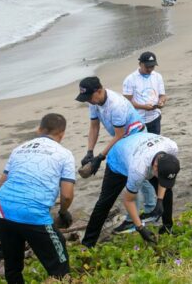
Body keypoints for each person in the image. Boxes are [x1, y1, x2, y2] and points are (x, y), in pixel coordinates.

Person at [0, 114, 75, 284]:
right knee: (60, 266)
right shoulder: (65, 154)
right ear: (62, 134)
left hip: (2, 208)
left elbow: (1, 184)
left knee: (13, 265)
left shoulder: (19, 149)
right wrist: (63, 211)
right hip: (32, 212)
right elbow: (66, 194)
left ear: (39, 129)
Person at [75, 76, 153, 234]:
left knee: (132, 174)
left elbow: (119, 135)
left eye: (89, 97)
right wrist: (90, 151)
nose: (88, 101)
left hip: (135, 136)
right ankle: (151, 208)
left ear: (99, 90)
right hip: (123, 137)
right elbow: (94, 126)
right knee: (137, 175)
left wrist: (100, 157)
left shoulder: (115, 104)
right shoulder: (94, 102)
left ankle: (135, 218)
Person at [81, 132, 180, 247]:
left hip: (136, 147)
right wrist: (140, 228)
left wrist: (160, 200)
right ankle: (88, 244)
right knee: (105, 203)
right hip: (118, 159)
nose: (161, 181)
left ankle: (167, 228)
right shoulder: (138, 169)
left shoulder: (172, 148)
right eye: (160, 176)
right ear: (155, 167)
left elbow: (165, 178)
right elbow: (128, 200)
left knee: (166, 190)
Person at [122, 52, 167, 135]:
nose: (149, 69)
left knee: (154, 144)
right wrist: (143, 107)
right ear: (140, 64)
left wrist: (161, 102)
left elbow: (162, 95)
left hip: (155, 117)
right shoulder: (130, 79)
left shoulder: (157, 76)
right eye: (147, 67)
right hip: (137, 120)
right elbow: (126, 102)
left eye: (152, 66)